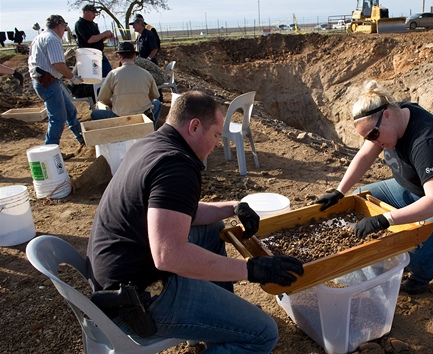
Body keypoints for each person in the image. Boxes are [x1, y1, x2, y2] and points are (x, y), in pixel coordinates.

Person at [87, 90, 304, 351]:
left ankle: (220, 319)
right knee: (263, 334)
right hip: (138, 300)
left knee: (212, 230)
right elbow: (169, 256)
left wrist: (233, 208)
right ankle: (226, 325)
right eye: (215, 135)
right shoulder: (176, 166)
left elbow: (176, 211)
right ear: (194, 126)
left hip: (114, 277)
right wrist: (252, 270)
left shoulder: (151, 144)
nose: (216, 144)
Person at [315, 80, 433, 295]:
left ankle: (425, 273)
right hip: (412, 190)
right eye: (368, 138)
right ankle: (382, 259)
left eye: (374, 135)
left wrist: (384, 220)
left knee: (413, 248)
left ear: (386, 115)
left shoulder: (427, 141)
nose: (374, 142)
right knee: (357, 201)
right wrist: (339, 192)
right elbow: (365, 155)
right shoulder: (396, 115)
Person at [28, 14, 85, 160]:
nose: (64, 31)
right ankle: (49, 152)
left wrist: (65, 55)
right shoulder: (52, 39)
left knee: (70, 112)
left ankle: (84, 141)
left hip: (47, 80)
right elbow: (57, 64)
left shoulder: (40, 38)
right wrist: (73, 77)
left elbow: (47, 61)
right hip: (48, 82)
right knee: (58, 119)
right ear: (59, 26)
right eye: (64, 28)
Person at [90, 42, 162, 129]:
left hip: (120, 117)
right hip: (143, 116)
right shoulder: (146, 73)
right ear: (134, 56)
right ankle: (150, 129)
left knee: (95, 114)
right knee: (157, 104)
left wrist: (112, 105)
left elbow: (103, 98)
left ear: (119, 56)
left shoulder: (113, 74)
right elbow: (154, 95)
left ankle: (115, 135)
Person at [74, 4, 114, 77]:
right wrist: (104, 33)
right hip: (89, 56)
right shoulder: (80, 24)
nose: (94, 15)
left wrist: (106, 36)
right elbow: (90, 39)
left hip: (99, 53)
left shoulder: (93, 24)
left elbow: (98, 39)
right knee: (94, 77)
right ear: (85, 12)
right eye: (93, 13)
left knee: (108, 75)